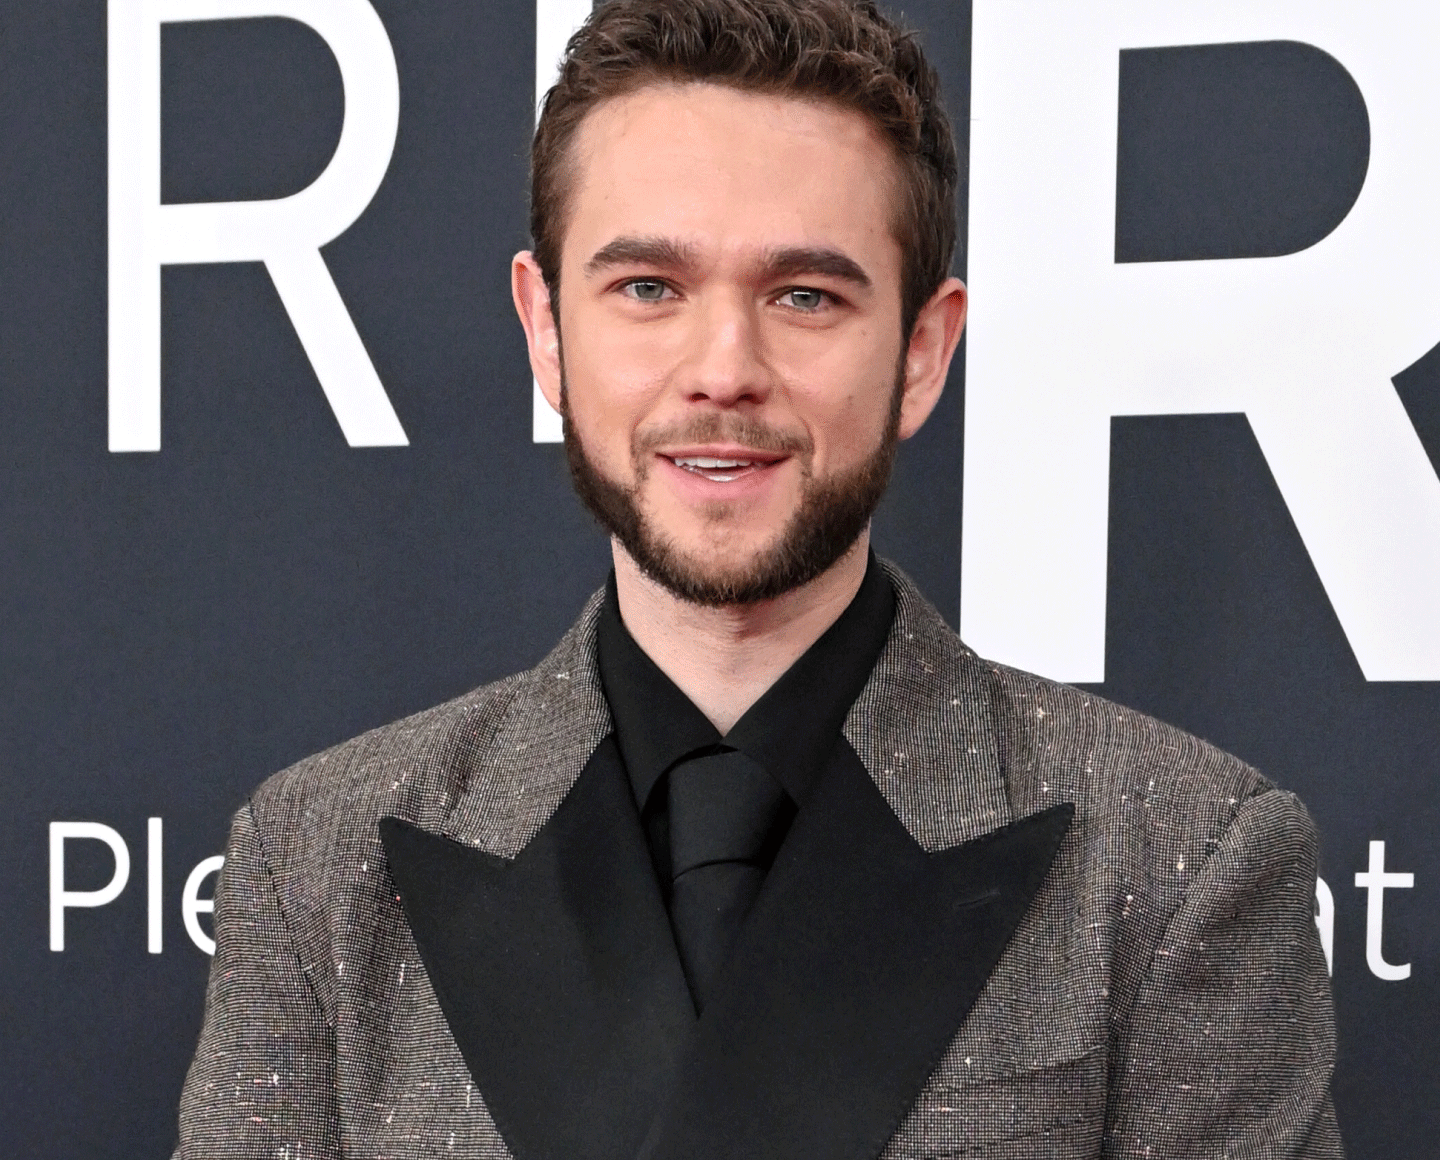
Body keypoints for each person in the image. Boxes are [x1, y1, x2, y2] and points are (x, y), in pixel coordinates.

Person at [173, 1, 1343, 1157]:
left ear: (924, 351)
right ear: (545, 329)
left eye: (805, 296)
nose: (723, 369)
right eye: (647, 289)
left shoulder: (1182, 859)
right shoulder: (321, 863)